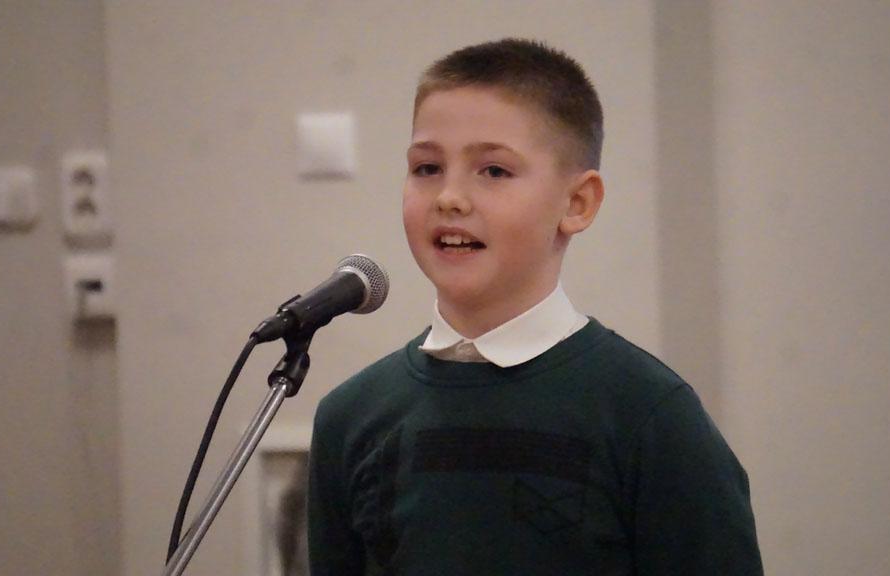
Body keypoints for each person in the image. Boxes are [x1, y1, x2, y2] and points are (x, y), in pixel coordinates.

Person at [307, 38, 762, 575]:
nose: (449, 197)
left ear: (577, 203)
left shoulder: (650, 416)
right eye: (427, 168)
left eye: (494, 171)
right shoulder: (350, 417)